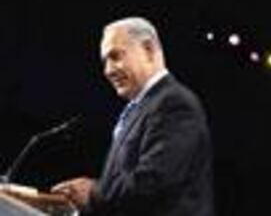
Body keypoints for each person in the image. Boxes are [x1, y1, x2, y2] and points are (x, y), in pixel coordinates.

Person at [52, 17, 214, 216]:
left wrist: (93, 193)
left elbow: (153, 182)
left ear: (148, 49)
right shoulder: (140, 108)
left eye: (116, 56)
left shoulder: (175, 104)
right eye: (105, 62)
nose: (108, 70)